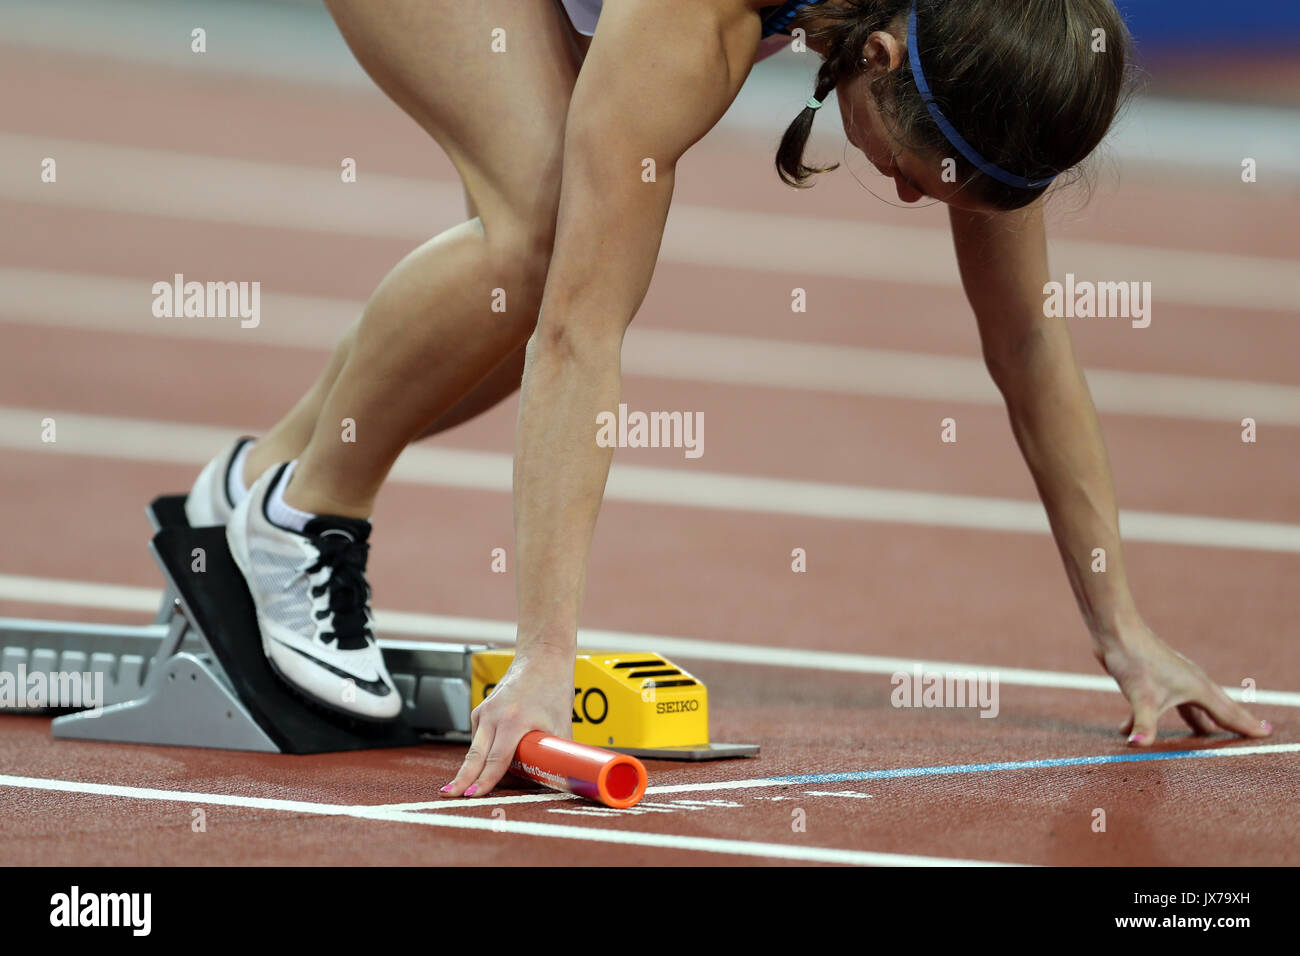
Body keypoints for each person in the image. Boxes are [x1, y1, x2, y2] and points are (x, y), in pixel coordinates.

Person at [184, 0, 1273, 798]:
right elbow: (582, 331)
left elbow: (1026, 337)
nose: (901, 191)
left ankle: (253, 484)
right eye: (909, 172)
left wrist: (1121, 624)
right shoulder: (691, 24)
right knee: (542, 237)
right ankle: (299, 512)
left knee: (544, 264)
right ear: (880, 56)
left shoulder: (981, 33)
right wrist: (546, 655)